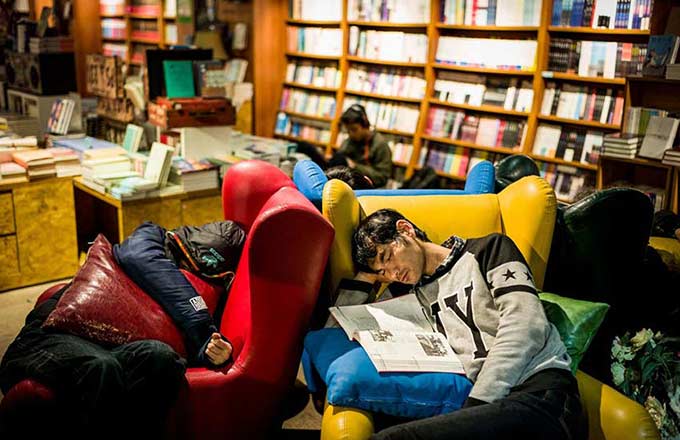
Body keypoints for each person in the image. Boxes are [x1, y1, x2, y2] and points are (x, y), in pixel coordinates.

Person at [333, 209, 586, 440]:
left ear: (406, 230)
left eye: (387, 257)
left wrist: (477, 403)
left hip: (540, 394)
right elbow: (337, 331)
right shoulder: (407, 290)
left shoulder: (488, 250)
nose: (392, 273)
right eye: (382, 272)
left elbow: (527, 325)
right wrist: (366, 275)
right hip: (484, 408)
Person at [0, 221, 240, 438]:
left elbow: (194, 345)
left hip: (110, 346)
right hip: (47, 339)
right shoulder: (149, 241)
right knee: (101, 366)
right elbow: (137, 254)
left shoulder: (208, 294)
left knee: (163, 359)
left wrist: (212, 349)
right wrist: (200, 321)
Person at [296, 105, 393, 188]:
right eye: (348, 130)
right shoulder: (350, 140)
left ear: (365, 125)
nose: (350, 134)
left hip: (359, 183)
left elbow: (382, 177)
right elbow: (339, 157)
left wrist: (355, 166)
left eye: (354, 129)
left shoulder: (380, 144)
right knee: (305, 147)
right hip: (342, 175)